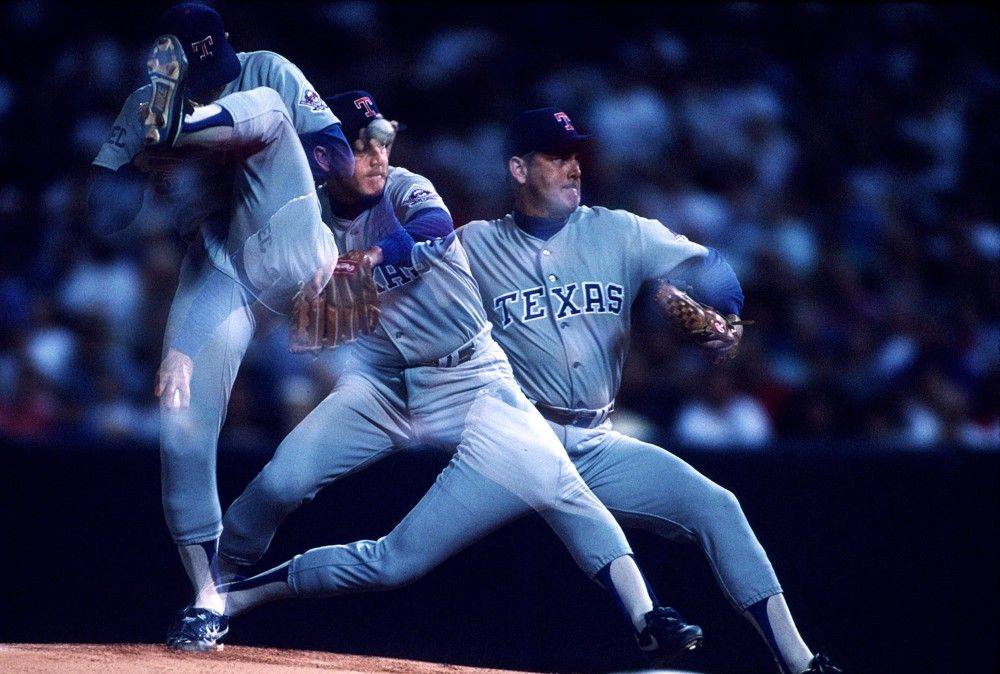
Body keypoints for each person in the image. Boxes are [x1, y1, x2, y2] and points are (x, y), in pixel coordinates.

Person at [212, 91, 704, 667]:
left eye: (381, 141)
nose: (377, 155)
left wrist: (371, 259)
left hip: (471, 376)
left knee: (548, 493)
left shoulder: (404, 188)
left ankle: (647, 616)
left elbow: (433, 225)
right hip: (383, 385)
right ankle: (213, 590)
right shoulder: (304, 221)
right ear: (323, 157)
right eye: (360, 145)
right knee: (281, 484)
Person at [454, 108, 843, 674]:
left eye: (575, 155)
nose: (573, 166)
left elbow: (710, 264)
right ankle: (650, 622)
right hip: (517, 443)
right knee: (393, 561)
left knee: (717, 506)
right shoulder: (476, 244)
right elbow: (411, 286)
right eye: (557, 156)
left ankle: (799, 662)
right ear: (519, 168)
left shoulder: (618, 230)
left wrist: (727, 315)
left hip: (593, 440)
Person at [87, 3, 352, 650]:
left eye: (216, 61)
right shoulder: (142, 105)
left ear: (226, 41)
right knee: (180, 421)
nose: (214, 72)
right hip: (221, 267)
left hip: (290, 240)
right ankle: (209, 600)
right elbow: (103, 213)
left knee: (266, 110)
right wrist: (142, 179)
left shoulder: (267, 70)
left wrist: (214, 149)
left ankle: (194, 126)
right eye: (197, 71)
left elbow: (338, 156)